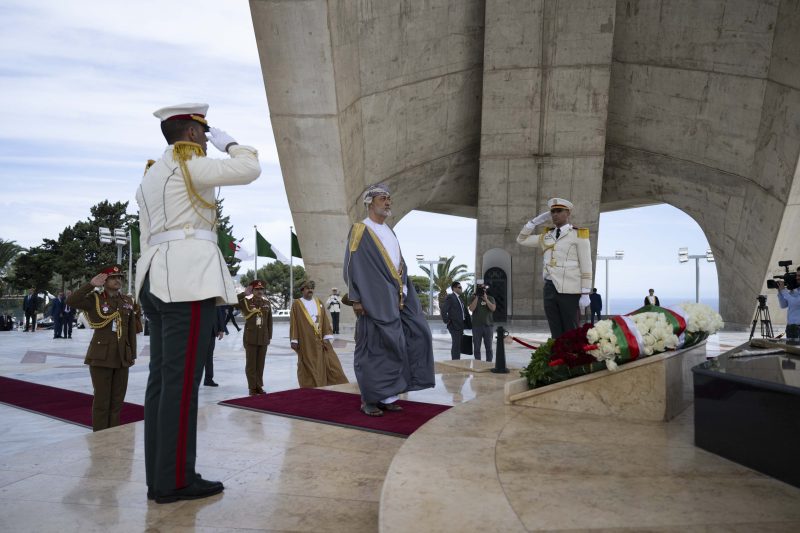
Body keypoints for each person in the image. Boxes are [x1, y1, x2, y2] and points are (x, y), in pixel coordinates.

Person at [135, 102, 260, 504]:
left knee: (163, 384)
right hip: (186, 281)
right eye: (205, 133)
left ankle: (162, 477)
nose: (208, 139)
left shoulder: (152, 174)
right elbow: (249, 169)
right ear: (191, 134)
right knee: (182, 385)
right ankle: (175, 481)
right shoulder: (189, 163)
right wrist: (234, 144)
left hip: (157, 278)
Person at [343, 183, 435, 417]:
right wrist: (356, 299)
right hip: (373, 300)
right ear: (370, 202)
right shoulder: (360, 229)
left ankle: (389, 395)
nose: (388, 202)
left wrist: (405, 291)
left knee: (413, 336)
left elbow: (397, 264)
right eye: (383, 198)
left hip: (398, 297)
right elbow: (351, 265)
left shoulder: (390, 231)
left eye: (389, 198)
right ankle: (370, 399)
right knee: (373, 348)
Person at [66, 265, 137, 431]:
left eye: (120, 277)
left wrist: (131, 353)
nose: (118, 280)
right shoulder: (94, 299)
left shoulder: (127, 301)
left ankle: (112, 435)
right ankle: (100, 436)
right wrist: (91, 285)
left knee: (117, 401)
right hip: (101, 356)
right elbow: (71, 301)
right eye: (113, 277)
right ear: (104, 281)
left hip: (122, 357)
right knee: (102, 401)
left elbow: (131, 329)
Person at [517, 197, 593, 339]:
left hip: (570, 289)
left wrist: (585, 293)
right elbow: (521, 240)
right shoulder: (546, 236)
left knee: (571, 329)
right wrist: (534, 222)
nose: (555, 214)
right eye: (552, 212)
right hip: (550, 288)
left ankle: (572, 359)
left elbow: (586, 265)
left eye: (559, 211)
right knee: (555, 329)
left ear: (568, 213)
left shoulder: (578, 235)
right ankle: (558, 359)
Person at [290, 280, 348, 387]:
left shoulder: (319, 302)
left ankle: (330, 384)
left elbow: (325, 320)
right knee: (309, 364)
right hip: (306, 341)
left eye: (312, 288)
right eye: (308, 288)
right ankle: (312, 387)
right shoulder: (297, 304)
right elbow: (294, 323)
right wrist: (294, 339)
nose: (310, 290)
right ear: (302, 290)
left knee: (330, 363)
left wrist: (327, 335)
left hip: (321, 340)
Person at [237, 280, 273, 395]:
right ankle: (252, 387)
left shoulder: (267, 303)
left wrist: (269, 336)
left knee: (260, 364)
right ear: (252, 290)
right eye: (257, 289)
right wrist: (243, 294)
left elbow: (269, 321)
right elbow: (233, 302)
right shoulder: (246, 302)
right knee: (251, 364)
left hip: (263, 338)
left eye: (261, 289)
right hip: (251, 338)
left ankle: (259, 386)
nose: (259, 291)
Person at [468, 282, 497, 361]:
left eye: (483, 288)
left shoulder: (491, 298)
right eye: (480, 289)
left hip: (488, 326)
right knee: (476, 348)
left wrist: (486, 300)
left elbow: (493, 308)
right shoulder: (472, 298)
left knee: (489, 348)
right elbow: (471, 309)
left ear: (486, 290)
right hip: (476, 326)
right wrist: (477, 297)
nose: (482, 290)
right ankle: (478, 363)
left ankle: (489, 363)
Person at [441, 281, 467, 360]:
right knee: (456, 345)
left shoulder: (459, 299)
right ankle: (455, 361)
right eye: (459, 287)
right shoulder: (450, 297)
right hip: (454, 325)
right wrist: (447, 320)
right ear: (454, 288)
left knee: (459, 345)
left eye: (461, 287)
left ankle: (457, 360)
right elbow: (444, 310)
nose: (461, 289)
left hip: (460, 325)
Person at [203, 306, 226, 387]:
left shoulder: (215, 298)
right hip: (199, 331)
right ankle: (191, 380)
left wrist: (221, 329)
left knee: (209, 357)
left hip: (212, 332)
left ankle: (208, 379)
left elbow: (219, 314)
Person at [777, 267, 800, 342]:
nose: (797, 278)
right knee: (790, 351)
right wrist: (780, 292)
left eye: (799, 276)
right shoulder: (795, 291)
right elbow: (783, 305)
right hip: (790, 328)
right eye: (796, 275)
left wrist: (784, 291)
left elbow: (796, 302)